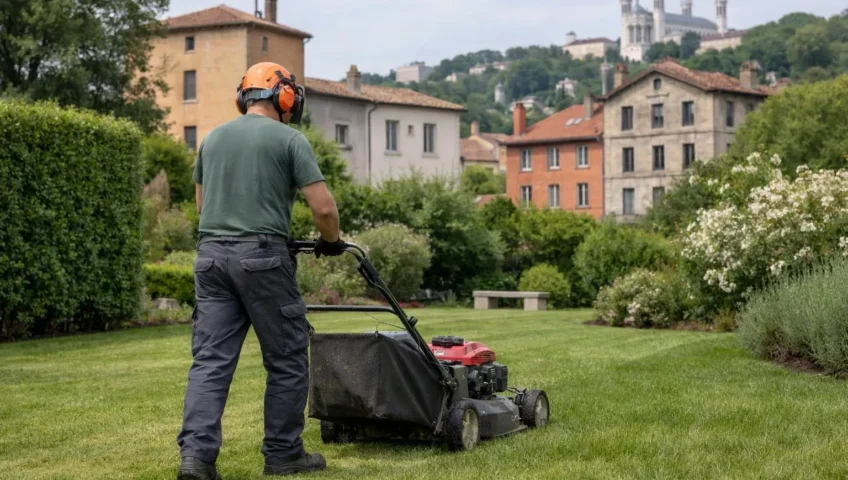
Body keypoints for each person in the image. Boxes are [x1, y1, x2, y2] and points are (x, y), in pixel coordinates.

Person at [176, 62, 345, 480]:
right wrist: (331, 241)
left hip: (211, 257)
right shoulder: (289, 139)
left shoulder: (212, 140)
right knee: (287, 359)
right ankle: (284, 454)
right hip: (263, 258)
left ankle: (196, 460)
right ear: (283, 96)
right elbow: (323, 209)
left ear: (244, 96)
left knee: (210, 362)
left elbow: (203, 207)